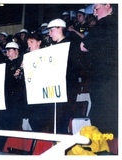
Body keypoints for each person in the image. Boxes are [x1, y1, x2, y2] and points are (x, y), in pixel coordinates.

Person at [80, 4, 118, 137]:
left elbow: (84, 46)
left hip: (103, 76)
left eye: (96, 9)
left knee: (102, 115)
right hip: (112, 75)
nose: (95, 13)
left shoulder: (103, 24)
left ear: (108, 5)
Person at [47, 18, 81, 134]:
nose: (49, 34)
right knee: (55, 120)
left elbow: (75, 66)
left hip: (68, 86)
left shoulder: (70, 45)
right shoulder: (53, 47)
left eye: (52, 30)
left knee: (62, 119)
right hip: (56, 87)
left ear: (60, 29)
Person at [24, 32, 54, 133]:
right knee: (32, 120)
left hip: (44, 94)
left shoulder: (46, 54)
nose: (29, 44)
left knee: (41, 120)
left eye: (31, 42)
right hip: (33, 94)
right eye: (28, 42)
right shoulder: (27, 57)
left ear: (39, 42)